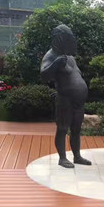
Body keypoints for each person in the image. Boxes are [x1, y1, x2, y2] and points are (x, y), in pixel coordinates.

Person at [40, 24, 91, 168]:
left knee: (76, 130)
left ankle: (77, 156)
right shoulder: (51, 55)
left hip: (78, 102)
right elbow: (44, 75)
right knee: (62, 129)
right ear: (60, 38)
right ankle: (62, 158)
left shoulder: (70, 57)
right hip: (65, 99)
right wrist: (55, 64)